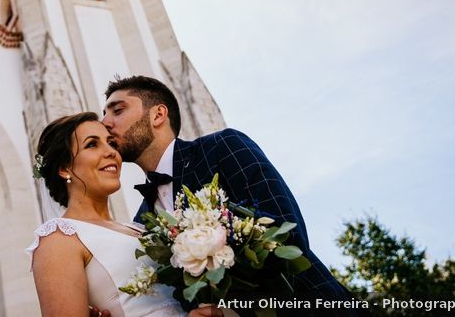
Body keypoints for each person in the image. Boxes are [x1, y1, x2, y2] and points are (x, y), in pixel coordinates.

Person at [101, 75, 366, 315]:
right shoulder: (142, 220)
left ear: (158, 114)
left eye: (118, 110)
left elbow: (288, 233)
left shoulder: (222, 147)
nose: (104, 123)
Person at [27, 112, 223, 317]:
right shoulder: (59, 238)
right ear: (65, 168)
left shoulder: (140, 227)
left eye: (111, 143)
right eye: (92, 145)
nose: (111, 152)